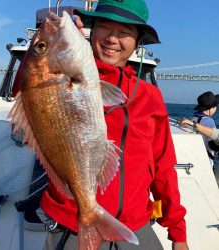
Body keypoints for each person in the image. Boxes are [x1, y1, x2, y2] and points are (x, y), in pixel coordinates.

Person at [39, 0, 189, 249]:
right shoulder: (59, 75)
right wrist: (54, 40)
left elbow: (163, 167)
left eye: (125, 32)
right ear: (91, 31)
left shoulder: (149, 96)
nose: (112, 39)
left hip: (135, 226)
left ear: (137, 42)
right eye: (105, 27)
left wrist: (177, 231)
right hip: (73, 226)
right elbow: (32, 85)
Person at [188, 91, 219, 160]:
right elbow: (213, 145)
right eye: (216, 107)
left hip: (195, 155)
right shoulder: (209, 121)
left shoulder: (193, 119)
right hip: (207, 159)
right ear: (212, 108)